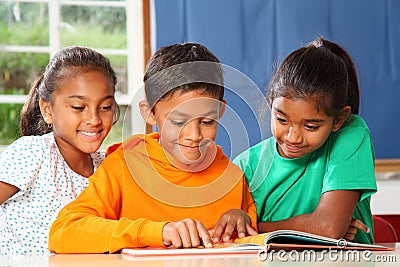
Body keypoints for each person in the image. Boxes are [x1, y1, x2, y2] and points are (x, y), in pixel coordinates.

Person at [48, 43, 258, 254]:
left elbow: (249, 244)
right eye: (177, 122)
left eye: (206, 122)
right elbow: (63, 232)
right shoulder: (124, 166)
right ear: (149, 113)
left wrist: (241, 218)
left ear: (220, 110)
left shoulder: (232, 176)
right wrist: (159, 231)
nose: (194, 136)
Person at [233, 37, 376, 244]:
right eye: (281, 119)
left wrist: (253, 229)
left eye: (311, 126)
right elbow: (226, 233)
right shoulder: (246, 164)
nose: (292, 136)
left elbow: (327, 228)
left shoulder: (351, 133)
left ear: (338, 120)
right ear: (271, 101)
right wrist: (312, 230)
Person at [0, 46, 119, 255]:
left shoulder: (108, 167)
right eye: (78, 107)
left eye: (105, 107)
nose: (94, 119)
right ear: (47, 110)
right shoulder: (33, 153)